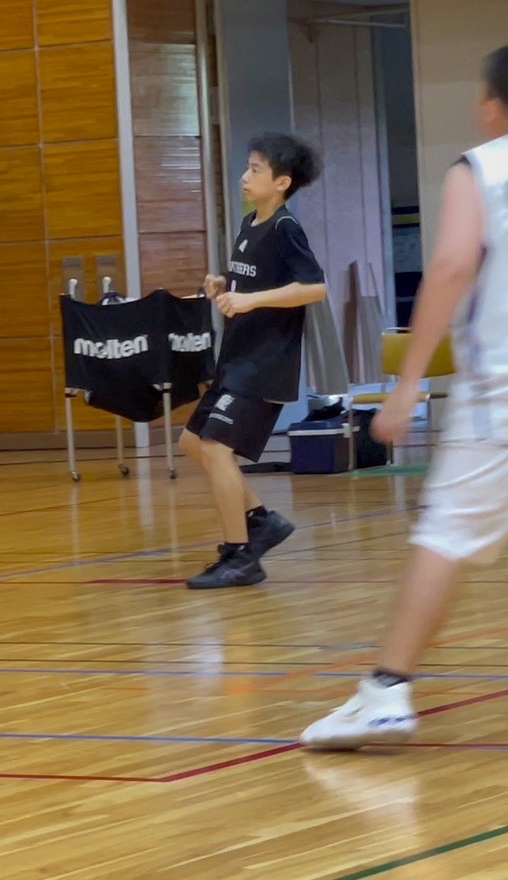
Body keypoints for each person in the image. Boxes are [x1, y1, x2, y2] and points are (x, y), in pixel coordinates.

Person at [303, 45, 508, 750]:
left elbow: (451, 264)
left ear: (491, 106)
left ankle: (384, 694)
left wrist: (406, 383)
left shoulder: (480, 166)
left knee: (445, 536)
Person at [180, 134, 327, 590]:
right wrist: (224, 285)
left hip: (264, 365)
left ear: (282, 182)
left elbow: (315, 288)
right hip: (236, 359)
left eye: (256, 169)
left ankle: (240, 556)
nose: (245, 177)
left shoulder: (286, 228)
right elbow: (254, 282)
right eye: (247, 167)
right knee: (192, 442)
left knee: (215, 448)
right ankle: (262, 521)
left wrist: (251, 301)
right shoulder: (250, 224)